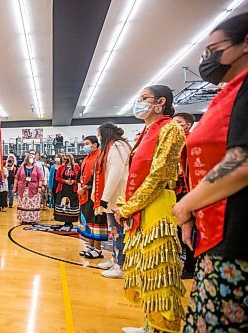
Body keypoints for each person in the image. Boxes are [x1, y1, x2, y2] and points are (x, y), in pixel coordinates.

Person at [172, 13, 248, 333]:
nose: (208, 59)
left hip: (239, 239)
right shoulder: (229, 94)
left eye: (214, 49)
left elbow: (242, 161)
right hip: (217, 232)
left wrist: (187, 203)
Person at [114, 85, 186, 333]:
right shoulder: (146, 132)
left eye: (144, 98)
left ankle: (162, 327)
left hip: (158, 204)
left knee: (159, 268)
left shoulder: (171, 129)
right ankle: (148, 325)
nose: (139, 103)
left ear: (161, 102)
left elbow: (157, 176)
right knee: (144, 267)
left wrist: (127, 208)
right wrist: (127, 205)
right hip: (141, 204)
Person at [92, 123, 131, 279]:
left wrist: (104, 198)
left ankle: (121, 265)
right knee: (114, 232)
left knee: (120, 232)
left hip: (117, 197)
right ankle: (116, 259)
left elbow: (116, 173)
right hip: (111, 198)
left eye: (99, 135)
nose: (99, 138)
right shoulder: (111, 147)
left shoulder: (118, 147)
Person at [172, 112, 197, 279]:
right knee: (179, 228)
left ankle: (190, 267)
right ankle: (184, 261)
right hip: (177, 191)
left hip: (189, 191)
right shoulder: (176, 142)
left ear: (187, 125)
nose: (174, 125)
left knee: (189, 228)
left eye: (178, 122)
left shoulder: (191, 141)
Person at [78, 136, 106, 259]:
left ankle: (98, 249)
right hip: (84, 195)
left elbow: (96, 177)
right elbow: (80, 174)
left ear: (94, 144)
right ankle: (90, 246)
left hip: (95, 195)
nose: (85, 146)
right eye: (84, 143)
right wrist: (80, 187)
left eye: (87, 143)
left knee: (96, 220)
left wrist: (84, 188)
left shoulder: (99, 157)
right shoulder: (86, 158)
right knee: (87, 220)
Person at [14, 153, 44, 224]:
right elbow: (16, 178)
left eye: (32, 158)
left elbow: (40, 178)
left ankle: (33, 219)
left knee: (33, 204)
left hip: (34, 188)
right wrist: (15, 187)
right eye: (30, 157)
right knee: (23, 204)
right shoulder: (21, 168)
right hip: (23, 189)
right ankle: (24, 219)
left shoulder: (36, 168)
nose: (32, 159)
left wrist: (40, 186)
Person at [54, 153, 80, 228]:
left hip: (73, 189)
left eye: (67, 157)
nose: (65, 159)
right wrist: (64, 181)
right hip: (63, 188)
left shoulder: (76, 167)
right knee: (63, 204)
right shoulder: (61, 167)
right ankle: (65, 220)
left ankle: (71, 220)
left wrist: (74, 182)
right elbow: (57, 177)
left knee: (72, 204)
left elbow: (79, 177)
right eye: (64, 157)